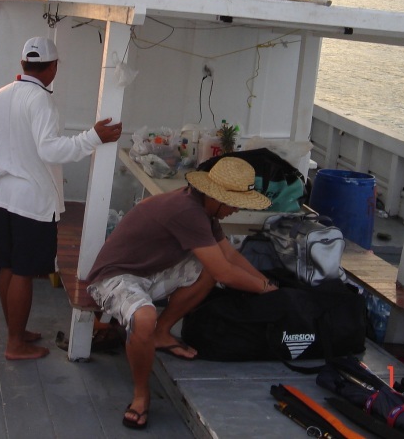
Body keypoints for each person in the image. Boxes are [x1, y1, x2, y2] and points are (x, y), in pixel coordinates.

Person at [86, 156, 276, 430]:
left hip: (150, 272)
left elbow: (229, 257)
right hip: (113, 276)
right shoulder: (187, 211)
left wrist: (268, 285)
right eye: (234, 203)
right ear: (216, 197)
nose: (235, 209)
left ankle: (162, 333)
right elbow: (226, 273)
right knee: (143, 319)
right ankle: (141, 395)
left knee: (210, 267)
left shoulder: (204, 210)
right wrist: (263, 289)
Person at [0, 36, 122, 360]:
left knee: (8, 267)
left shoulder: (1, 95)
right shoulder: (41, 101)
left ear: (23, 64)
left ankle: (15, 332)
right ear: (52, 68)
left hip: (3, 194)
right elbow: (49, 149)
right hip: (32, 199)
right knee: (23, 272)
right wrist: (93, 137)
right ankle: (15, 344)